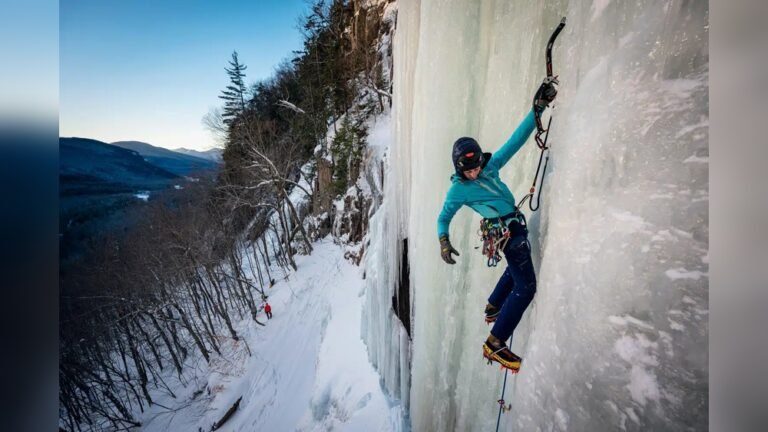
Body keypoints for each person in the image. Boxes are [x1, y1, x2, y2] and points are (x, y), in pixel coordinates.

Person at [436, 80, 557, 371]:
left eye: (477, 165)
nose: (476, 171)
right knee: (526, 287)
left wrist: (538, 108)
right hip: (507, 233)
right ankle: (495, 343)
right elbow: (443, 217)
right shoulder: (458, 191)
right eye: (469, 169)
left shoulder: (490, 167)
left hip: (511, 228)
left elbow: (515, 141)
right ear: (459, 170)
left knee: (514, 270)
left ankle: (493, 305)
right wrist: (443, 240)